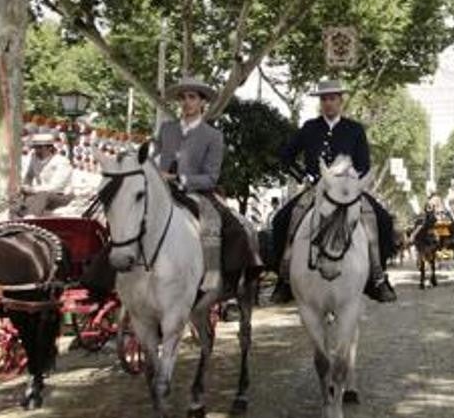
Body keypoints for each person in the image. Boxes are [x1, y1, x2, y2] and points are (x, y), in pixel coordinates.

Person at [270, 79, 397, 304]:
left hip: (347, 189)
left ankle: (378, 277)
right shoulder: (310, 128)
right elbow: (286, 155)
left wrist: (351, 177)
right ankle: (285, 278)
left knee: (382, 219)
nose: (328, 103)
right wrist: (304, 176)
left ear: (341, 101)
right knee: (282, 220)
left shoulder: (354, 129)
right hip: (317, 187)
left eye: (333, 99)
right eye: (324, 99)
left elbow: (364, 164)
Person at [153, 75, 247, 292]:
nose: (187, 102)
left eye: (192, 97)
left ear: (202, 102)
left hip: (197, 192)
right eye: (183, 98)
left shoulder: (213, 136)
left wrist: (179, 179)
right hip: (162, 191)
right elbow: (154, 155)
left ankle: (213, 274)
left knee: (213, 220)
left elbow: (211, 176)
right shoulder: (167, 129)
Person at [17, 133, 74, 217]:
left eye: (40, 147)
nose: (37, 150)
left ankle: (31, 218)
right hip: (41, 194)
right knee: (24, 199)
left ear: (49, 147)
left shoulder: (61, 161)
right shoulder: (34, 159)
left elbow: (56, 187)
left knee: (43, 195)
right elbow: (29, 176)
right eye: (35, 147)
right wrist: (25, 187)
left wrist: (32, 189)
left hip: (61, 195)